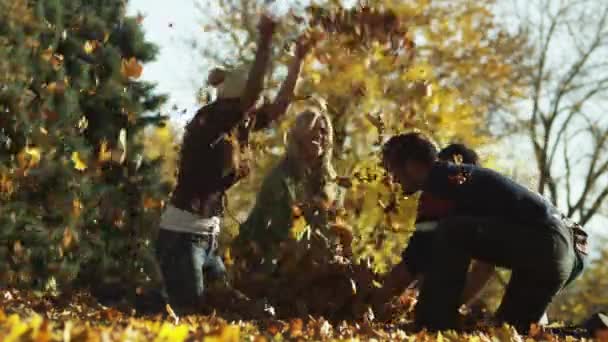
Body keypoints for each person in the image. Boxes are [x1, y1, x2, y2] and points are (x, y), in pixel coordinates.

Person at [153, 15, 314, 315]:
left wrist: (298, 62)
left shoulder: (238, 124)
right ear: (236, 99)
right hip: (181, 237)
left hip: (208, 238)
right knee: (190, 314)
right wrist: (265, 43)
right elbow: (253, 95)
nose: (255, 110)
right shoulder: (212, 119)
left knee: (222, 309)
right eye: (251, 103)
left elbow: (279, 106)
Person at [377, 132, 588, 332]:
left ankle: (431, 325)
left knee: (450, 230)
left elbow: (415, 258)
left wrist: (374, 303)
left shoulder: (439, 181)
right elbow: (483, 269)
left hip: (544, 241)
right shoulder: (470, 184)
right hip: (564, 252)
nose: (393, 180)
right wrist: (451, 307)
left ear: (412, 165)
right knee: (506, 331)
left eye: (392, 170)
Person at [233, 109, 358, 317]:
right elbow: (267, 227)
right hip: (277, 261)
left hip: (321, 262)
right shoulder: (280, 178)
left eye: (323, 131)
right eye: (313, 131)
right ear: (298, 136)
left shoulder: (331, 181)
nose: (320, 136)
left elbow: (335, 226)